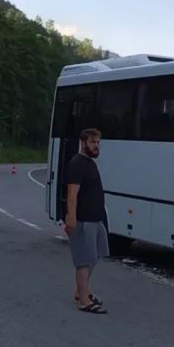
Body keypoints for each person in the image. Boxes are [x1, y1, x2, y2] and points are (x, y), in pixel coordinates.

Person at [64, 128, 108, 314]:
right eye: (92, 142)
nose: (96, 146)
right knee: (83, 260)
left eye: (98, 142)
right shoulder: (77, 163)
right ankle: (83, 301)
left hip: (96, 218)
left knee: (97, 254)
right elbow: (72, 194)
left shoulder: (90, 162)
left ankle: (81, 291)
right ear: (83, 143)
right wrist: (71, 219)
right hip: (83, 220)